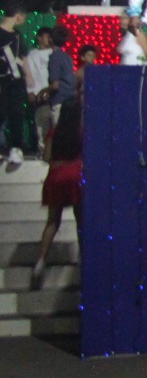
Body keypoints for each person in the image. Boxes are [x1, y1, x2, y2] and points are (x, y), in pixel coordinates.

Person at [30, 99, 83, 290]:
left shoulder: (54, 132)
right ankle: (83, 259)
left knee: (52, 222)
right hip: (75, 174)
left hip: (55, 176)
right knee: (80, 219)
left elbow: (46, 157)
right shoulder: (81, 132)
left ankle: (40, 262)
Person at [1, 5, 32, 167]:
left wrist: (28, 76)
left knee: (17, 114)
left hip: (16, 81)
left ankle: (16, 148)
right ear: (18, 16)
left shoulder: (17, 35)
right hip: (2, 80)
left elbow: (23, 57)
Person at [24, 26, 52, 155]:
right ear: (39, 38)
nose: (49, 39)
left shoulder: (54, 53)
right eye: (46, 36)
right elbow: (29, 73)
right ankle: (42, 150)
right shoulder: (32, 54)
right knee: (41, 124)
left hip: (53, 94)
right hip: (39, 94)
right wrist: (31, 91)